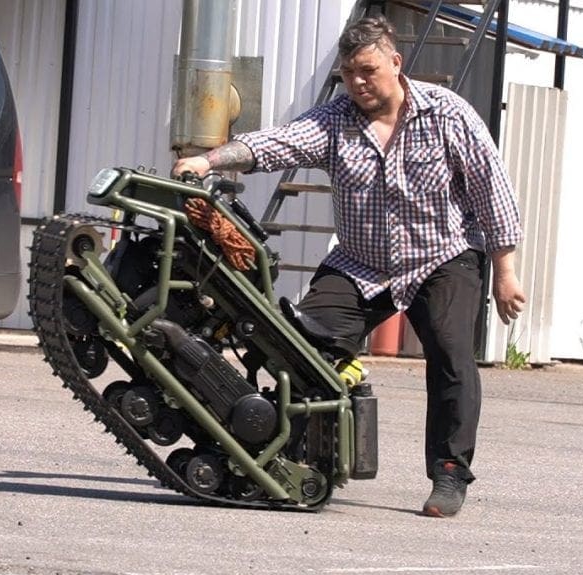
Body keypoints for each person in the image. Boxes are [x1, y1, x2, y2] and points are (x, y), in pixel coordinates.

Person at [172, 15, 526, 517]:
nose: (358, 82)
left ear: (395, 64)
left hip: (441, 258)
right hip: (360, 264)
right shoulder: (335, 119)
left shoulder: (448, 114)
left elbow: (493, 191)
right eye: (349, 73)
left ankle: (449, 474)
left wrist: (505, 272)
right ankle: (287, 450)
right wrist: (210, 161)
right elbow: (277, 143)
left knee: (451, 355)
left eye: (368, 70)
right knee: (298, 345)